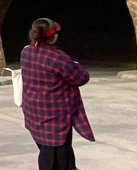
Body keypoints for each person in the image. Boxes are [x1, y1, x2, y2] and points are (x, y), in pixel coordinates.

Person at [20, 18, 94, 170]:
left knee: (60, 154)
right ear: (53, 37)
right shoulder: (57, 57)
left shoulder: (26, 51)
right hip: (55, 118)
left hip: (34, 112)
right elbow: (81, 77)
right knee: (54, 160)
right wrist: (75, 64)